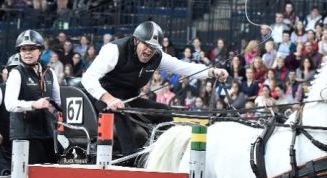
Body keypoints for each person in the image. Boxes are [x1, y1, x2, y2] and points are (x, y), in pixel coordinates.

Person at [81, 21, 227, 154]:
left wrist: (212, 72)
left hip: (129, 99)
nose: (149, 51)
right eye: (146, 45)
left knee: (164, 112)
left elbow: (184, 67)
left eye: (154, 47)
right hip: (103, 97)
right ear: (136, 40)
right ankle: (131, 157)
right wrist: (109, 99)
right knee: (121, 112)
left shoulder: (157, 56)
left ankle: (163, 153)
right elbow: (88, 78)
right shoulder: (114, 50)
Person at [4, 30, 61, 165]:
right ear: (19, 52)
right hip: (25, 134)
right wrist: (33, 105)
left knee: (52, 172)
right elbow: (9, 104)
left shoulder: (50, 72)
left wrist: (56, 114)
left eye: (31, 48)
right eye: (24, 49)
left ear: (40, 50)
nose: (27, 53)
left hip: (47, 132)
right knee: (29, 177)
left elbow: (57, 102)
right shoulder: (16, 73)